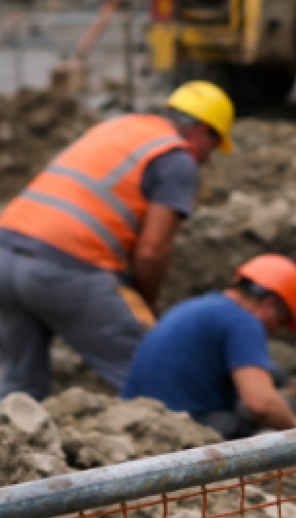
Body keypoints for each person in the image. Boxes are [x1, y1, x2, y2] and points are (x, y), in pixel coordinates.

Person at [0, 81, 235, 399]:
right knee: (151, 373)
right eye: (215, 145)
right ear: (202, 132)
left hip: (6, 252)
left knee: (19, 388)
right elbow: (151, 252)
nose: (208, 159)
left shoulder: (121, 126)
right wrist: (148, 304)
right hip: (66, 266)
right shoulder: (177, 159)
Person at [123, 255, 296, 438]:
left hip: (132, 419)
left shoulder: (200, 306)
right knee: (274, 411)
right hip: (176, 429)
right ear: (269, 306)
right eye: (280, 323)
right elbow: (260, 404)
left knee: (274, 376)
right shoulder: (243, 321)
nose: (274, 333)